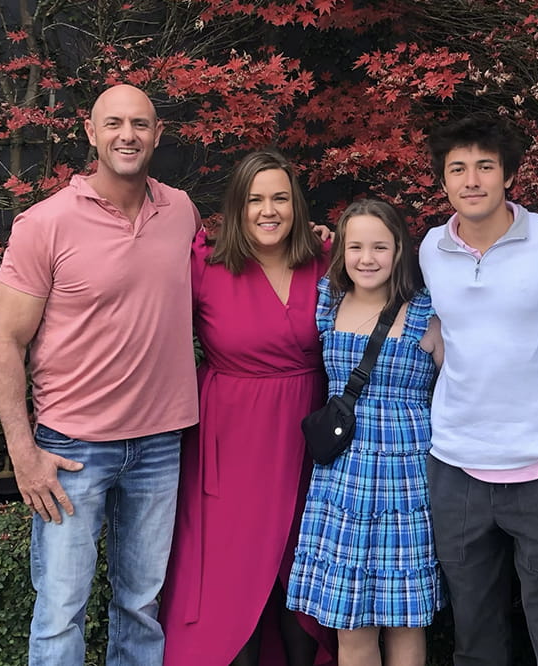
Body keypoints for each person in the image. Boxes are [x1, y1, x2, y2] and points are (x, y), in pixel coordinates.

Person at [0, 84, 200, 665]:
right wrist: (23, 452)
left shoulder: (180, 211)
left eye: (139, 124)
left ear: (158, 134)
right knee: (60, 610)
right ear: (90, 132)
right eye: (114, 124)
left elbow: (237, 262)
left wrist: (315, 241)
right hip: (73, 448)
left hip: (160, 443)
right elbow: (5, 343)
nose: (126, 135)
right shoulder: (44, 223)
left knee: (141, 606)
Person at [418, 113, 538, 665]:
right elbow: (396, 300)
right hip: (455, 465)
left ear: (507, 175)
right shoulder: (431, 247)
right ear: (444, 180)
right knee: (474, 635)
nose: (471, 179)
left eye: (485, 166)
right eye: (458, 168)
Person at [160, 149, 336, 666]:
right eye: (255, 199)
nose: (268, 210)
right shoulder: (206, 262)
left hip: (308, 439)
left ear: (297, 205)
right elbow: (150, 328)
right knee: (232, 579)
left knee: (298, 571)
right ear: (236, 207)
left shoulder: (327, 259)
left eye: (280, 197)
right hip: (229, 442)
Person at [287, 198, 447, 665]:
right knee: (351, 626)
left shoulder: (427, 314)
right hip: (343, 481)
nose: (367, 258)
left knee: (405, 622)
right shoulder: (325, 302)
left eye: (380, 246)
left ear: (400, 250)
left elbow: (468, 383)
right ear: (340, 251)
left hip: (407, 481)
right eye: (354, 246)